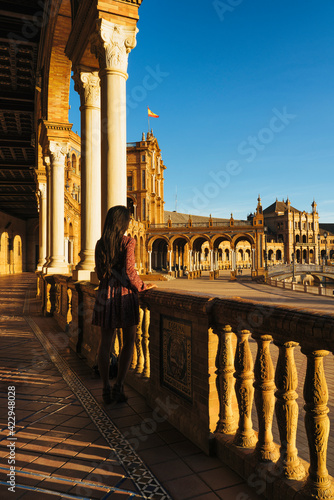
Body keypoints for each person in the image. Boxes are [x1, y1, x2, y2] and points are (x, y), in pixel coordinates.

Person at [92, 205, 157, 404]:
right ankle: (119, 386)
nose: (130, 222)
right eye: (128, 219)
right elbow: (130, 271)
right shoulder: (128, 241)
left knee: (105, 343)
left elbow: (100, 272)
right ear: (123, 222)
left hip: (105, 294)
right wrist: (143, 286)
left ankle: (105, 388)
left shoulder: (99, 244)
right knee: (129, 341)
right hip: (124, 295)